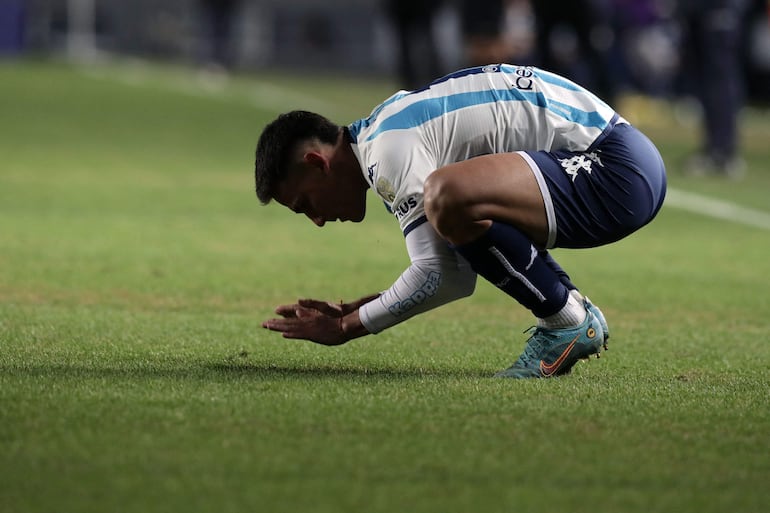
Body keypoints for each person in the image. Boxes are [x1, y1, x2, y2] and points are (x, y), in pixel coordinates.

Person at [254, 64, 667, 378]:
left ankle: (566, 322)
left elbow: (440, 276)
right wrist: (355, 307)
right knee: (450, 200)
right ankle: (571, 315)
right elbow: (449, 264)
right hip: (624, 161)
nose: (318, 220)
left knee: (447, 195)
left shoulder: (387, 155)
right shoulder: (382, 134)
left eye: (305, 203)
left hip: (613, 171)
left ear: (317, 163)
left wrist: (346, 326)